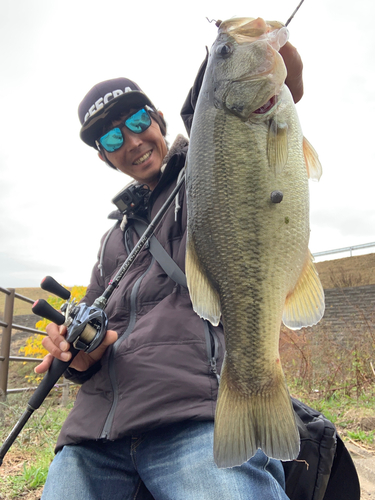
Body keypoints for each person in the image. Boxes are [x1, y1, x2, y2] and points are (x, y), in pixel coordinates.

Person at [35, 41, 304, 500]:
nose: (134, 141)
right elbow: (98, 342)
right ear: (103, 156)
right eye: (113, 139)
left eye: (138, 122)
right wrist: (78, 353)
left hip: (193, 418)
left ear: (159, 119)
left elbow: (264, 93)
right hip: (94, 437)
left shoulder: (202, 174)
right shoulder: (109, 243)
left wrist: (256, 49)